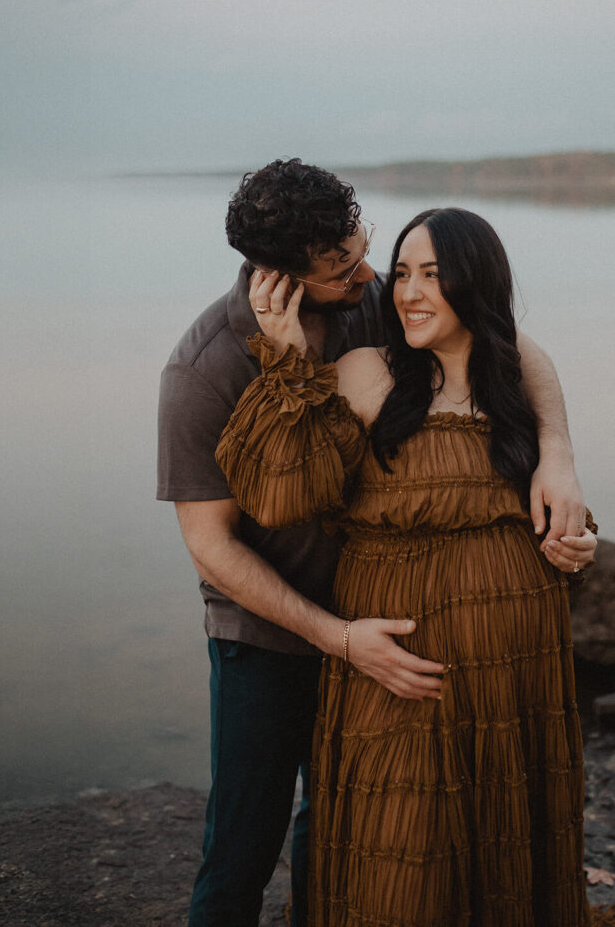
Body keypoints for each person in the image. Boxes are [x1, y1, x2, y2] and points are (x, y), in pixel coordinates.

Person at [157, 160, 589, 927]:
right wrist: (338, 638)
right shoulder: (203, 370)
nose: (369, 276)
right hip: (273, 630)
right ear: (278, 276)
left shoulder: (374, 302)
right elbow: (213, 547)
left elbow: (502, 340)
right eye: (342, 267)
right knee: (243, 848)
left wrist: (555, 454)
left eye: (367, 252)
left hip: (388, 617)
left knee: (340, 826)